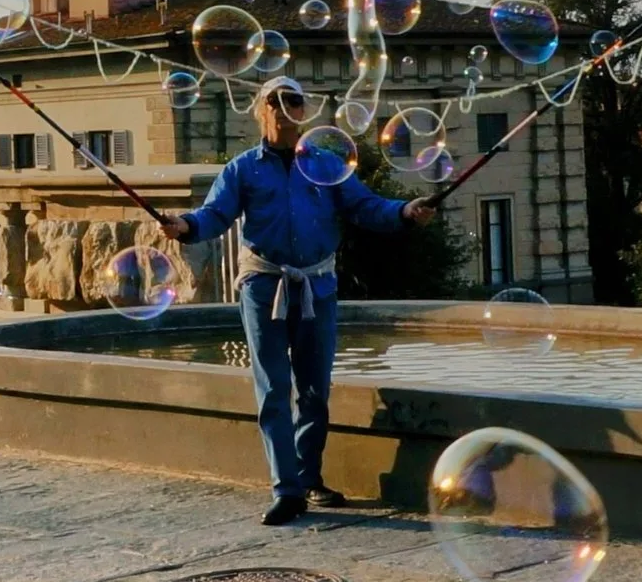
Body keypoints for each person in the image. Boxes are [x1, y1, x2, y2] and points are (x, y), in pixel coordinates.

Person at [162, 75, 437, 524]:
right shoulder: (243, 169)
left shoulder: (327, 165)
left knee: (314, 389)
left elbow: (367, 207)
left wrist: (406, 213)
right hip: (263, 286)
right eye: (277, 100)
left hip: (317, 287)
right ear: (261, 110)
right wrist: (186, 226)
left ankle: (310, 478)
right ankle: (286, 489)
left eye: (295, 100)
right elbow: (214, 215)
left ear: (303, 111)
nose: (287, 106)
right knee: (273, 388)